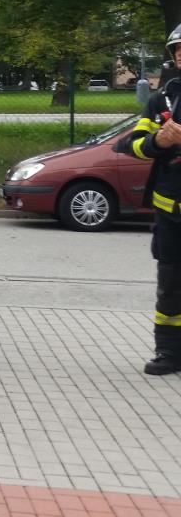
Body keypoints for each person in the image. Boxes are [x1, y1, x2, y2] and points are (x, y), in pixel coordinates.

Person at [116, 23, 181, 374]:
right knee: (170, 287)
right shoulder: (163, 99)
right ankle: (169, 353)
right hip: (170, 215)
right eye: (179, 49)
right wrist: (160, 143)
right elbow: (130, 145)